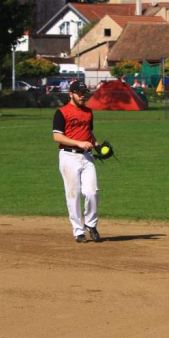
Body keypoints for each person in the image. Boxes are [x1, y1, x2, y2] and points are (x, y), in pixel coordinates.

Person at [52, 81, 102, 243]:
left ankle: (91, 224)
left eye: (84, 93)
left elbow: (89, 133)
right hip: (68, 157)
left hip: (87, 157)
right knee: (73, 194)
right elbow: (57, 137)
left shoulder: (88, 112)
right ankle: (78, 231)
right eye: (79, 93)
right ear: (71, 94)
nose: (82, 96)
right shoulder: (61, 112)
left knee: (92, 191)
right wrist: (79, 143)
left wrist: (98, 146)